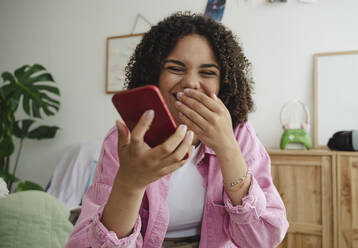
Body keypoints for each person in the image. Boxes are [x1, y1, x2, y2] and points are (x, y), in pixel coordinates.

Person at [67, 12, 288, 248]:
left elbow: (263, 241)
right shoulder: (126, 141)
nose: (191, 82)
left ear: (223, 84)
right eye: (176, 68)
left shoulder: (240, 135)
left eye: (207, 72)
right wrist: (130, 183)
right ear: (155, 76)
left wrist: (227, 147)